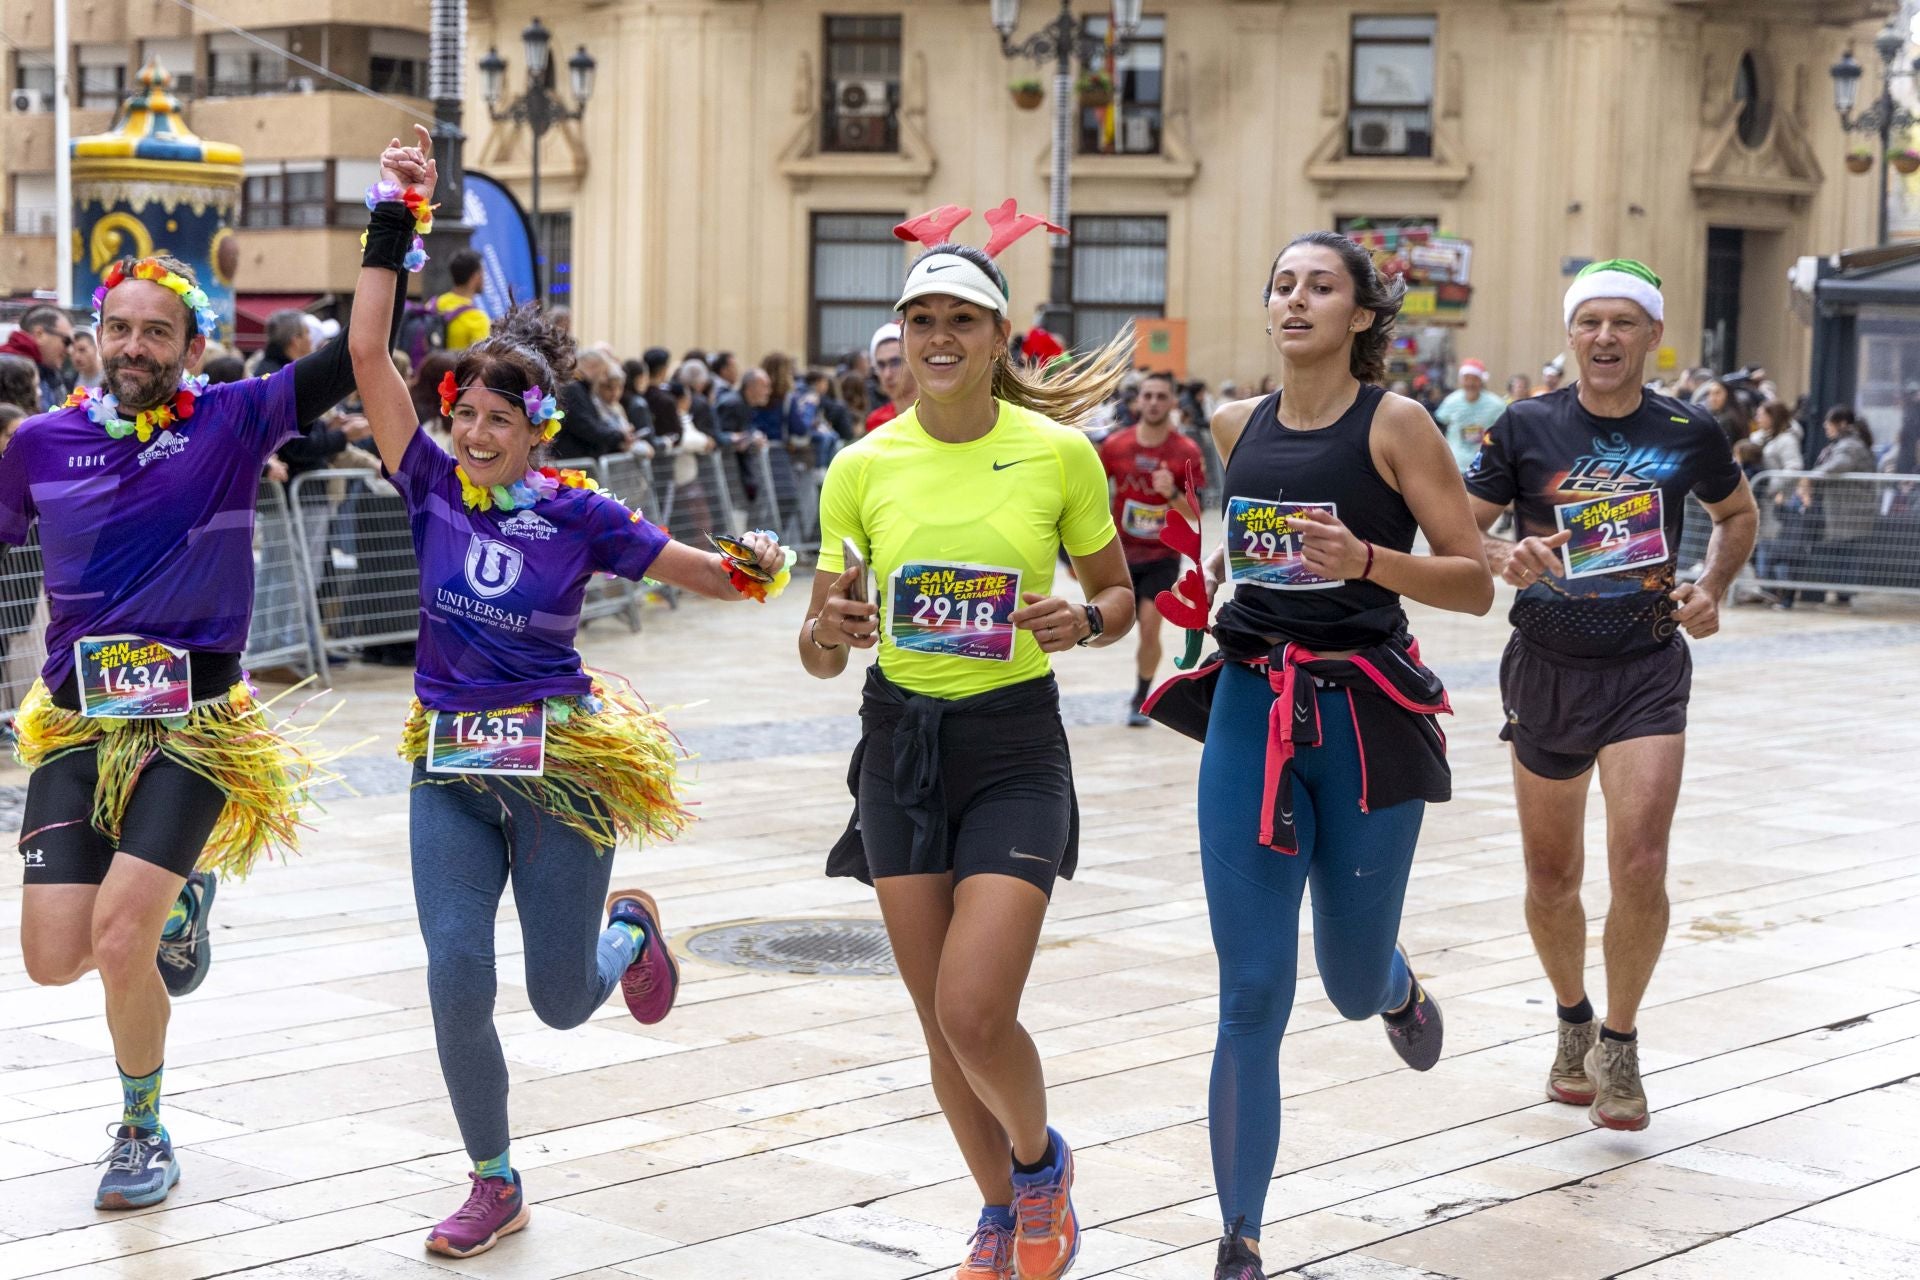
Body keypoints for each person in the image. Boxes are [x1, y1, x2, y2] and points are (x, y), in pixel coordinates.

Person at [348, 130, 793, 1261]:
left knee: (556, 999)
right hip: (448, 769)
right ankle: (492, 1179)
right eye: (466, 413)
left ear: (537, 429)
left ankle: (628, 930)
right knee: (455, 970)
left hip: (560, 772)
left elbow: (699, 572)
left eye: (501, 418)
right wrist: (397, 210)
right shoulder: (428, 483)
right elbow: (367, 352)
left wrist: (755, 562)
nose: (477, 432)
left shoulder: (582, 512)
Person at [1, 240, 401, 1210]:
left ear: (189, 343)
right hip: (79, 724)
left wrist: (393, 224)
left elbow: (363, 348)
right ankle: (185, 897)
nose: (135, 345)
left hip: (196, 723)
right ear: (97, 338)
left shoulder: (232, 419)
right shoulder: (40, 444)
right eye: (121, 328)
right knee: (54, 953)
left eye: (157, 331)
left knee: (121, 931)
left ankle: (142, 1127)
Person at [803, 203, 1136, 1280]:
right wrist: (828, 630)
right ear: (899, 335)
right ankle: (1000, 1213)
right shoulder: (860, 467)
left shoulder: (1059, 453)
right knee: (936, 1019)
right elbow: (820, 641)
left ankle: (1040, 1167)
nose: (939, 337)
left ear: (1000, 337)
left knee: (974, 1005)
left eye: (962, 318)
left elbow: (1120, 594)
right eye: (922, 318)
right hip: (901, 740)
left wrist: (1083, 620)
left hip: (1014, 745)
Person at [1160, 233, 1490, 1280]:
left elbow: (1474, 580)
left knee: (1344, 981)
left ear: (1360, 315)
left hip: (1362, 721)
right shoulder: (1232, 424)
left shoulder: (1395, 425)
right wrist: (1218, 564)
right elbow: (1252, 544)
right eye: (1283, 283)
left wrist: (1367, 559)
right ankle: (1240, 1240)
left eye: (1321, 286)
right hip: (1251, 711)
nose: (1296, 299)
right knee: (1251, 990)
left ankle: (1391, 983)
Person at [1463, 259, 1756, 1135]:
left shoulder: (1686, 429)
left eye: (1623, 323)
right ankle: (1571, 1021)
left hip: (1646, 664)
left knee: (1641, 863)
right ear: (1570, 333)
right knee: (1552, 876)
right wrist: (1499, 555)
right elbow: (1458, 530)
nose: (1604, 337)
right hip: (1546, 664)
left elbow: (1736, 516)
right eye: (1589, 321)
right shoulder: (1523, 426)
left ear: (1652, 336)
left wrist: (1713, 587)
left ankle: (1621, 1044)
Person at [1098, 370, 1204, 726]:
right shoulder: (1116, 446)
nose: (1154, 402)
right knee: (1102, 626)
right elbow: (1091, 496)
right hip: (1120, 552)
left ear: (1173, 402)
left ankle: (1140, 695)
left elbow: (1196, 512)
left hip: (1161, 555)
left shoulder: (1185, 451)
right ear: (1137, 401)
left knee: (1148, 627)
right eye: (1148, 396)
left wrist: (1170, 494)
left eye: (1162, 396)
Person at [1799, 406, 1876, 607]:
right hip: (1845, 512)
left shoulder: (1850, 445)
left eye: (1829, 422)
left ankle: (1844, 596)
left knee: (1846, 554)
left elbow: (1839, 465)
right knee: (1844, 553)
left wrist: (1811, 477)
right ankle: (1842, 594)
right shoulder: (1847, 443)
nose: (1825, 426)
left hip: (1850, 512)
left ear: (1842, 424)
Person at [1432, 359, 1507, 471]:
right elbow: (1437, 426)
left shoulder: (1496, 404)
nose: (1470, 383)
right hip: (1455, 465)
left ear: (1481, 380)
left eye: (1475, 379)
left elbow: (1504, 432)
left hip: (1484, 466)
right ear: (1461, 380)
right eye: (1466, 379)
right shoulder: (1451, 401)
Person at [3, 304, 76, 410]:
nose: (70, 351)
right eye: (66, 341)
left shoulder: (50, 371)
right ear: (39, 334)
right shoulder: (6, 369)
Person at [432, 249, 491, 352]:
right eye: (483, 272)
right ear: (475, 276)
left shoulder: (434, 304)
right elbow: (480, 360)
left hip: (430, 366)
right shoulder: (477, 319)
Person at [866, 321, 918, 431]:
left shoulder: (937, 418)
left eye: (895, 362)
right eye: (880, 365)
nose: (887, 374)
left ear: (913, 362)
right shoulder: (877, 421)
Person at [70, 327, 105, 391]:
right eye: (73, 352)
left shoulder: (111, 377)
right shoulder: (70, 382)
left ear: (95, 349)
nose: (76, 357)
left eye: (82, 350)